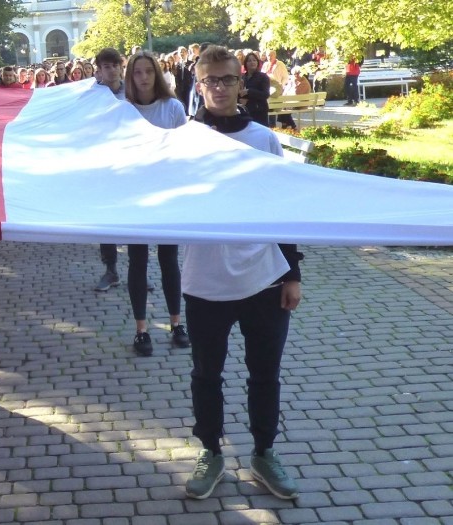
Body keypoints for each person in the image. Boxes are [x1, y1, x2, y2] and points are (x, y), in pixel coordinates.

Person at [184, 45, 303, 501]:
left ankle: (263, 453)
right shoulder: (183, 140)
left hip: (264, 277)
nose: (218, 87)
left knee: (264, 374)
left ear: (241, 83)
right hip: (205, 280)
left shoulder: (262, 138)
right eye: (210, 80)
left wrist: (292, 273)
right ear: (199, 85)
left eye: (227, 79)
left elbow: (282, 209)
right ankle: (210, 452)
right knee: (206, 375)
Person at [123, 51, 191, 355]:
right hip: (134, 198)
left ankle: (177, 323)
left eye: (149, 71)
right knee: (137, 262)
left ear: (157, 73)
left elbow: (184, 152)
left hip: (167, 196)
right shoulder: (122, 110)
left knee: (169, 261)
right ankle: (141, 330)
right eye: (137, 72)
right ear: (131, 76)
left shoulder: (173, 107)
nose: (144, 77)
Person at [92, 47, 127, 291]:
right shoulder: (92, 94)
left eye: (115, 65)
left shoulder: (134, 92)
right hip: (103, 162)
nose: (111, 70)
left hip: (130, 161)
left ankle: (139, 269)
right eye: (106, 66)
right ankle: (111, 269)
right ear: (99, 70)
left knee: (135, 217)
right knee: (105, 219)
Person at [239, 52, 271, 127]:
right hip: (246, 111)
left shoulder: (263, 77)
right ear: (246, 63)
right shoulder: (242, 77)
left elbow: (265, 94)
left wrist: (249, 91)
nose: (252, 62)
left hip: (259, 111)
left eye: (254, 60)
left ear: (257, 62)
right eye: (249, 61)